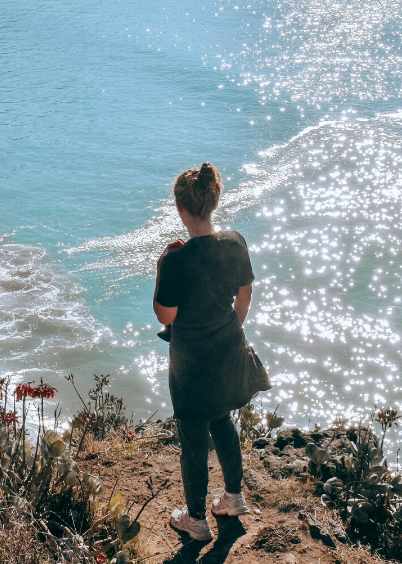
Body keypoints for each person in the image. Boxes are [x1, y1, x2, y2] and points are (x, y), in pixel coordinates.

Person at [153, 162, 270, 543]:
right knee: (222, 419)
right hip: (229, 348)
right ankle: (234, 499)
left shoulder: (176, 259)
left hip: (190, 363)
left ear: (180, 208)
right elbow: (245, 294)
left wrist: (160, 266)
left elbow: (164, 314)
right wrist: (231, 329)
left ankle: (197, 520)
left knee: (192, 439)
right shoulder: (235, 241)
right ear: (213, 201)